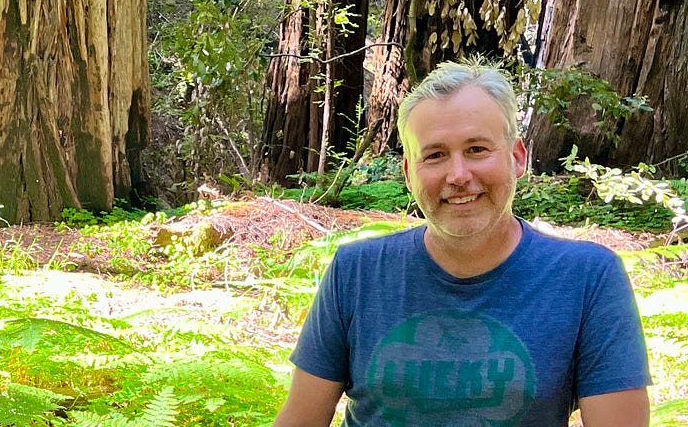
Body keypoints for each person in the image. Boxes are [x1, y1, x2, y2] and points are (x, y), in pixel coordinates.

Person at [273, 60, 651, 426]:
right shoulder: (356, 272)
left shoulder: (587, 278)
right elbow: (302, 418)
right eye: (435, 155)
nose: (458, 175)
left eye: (476, 149)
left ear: (517, 158)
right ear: (409, 174)